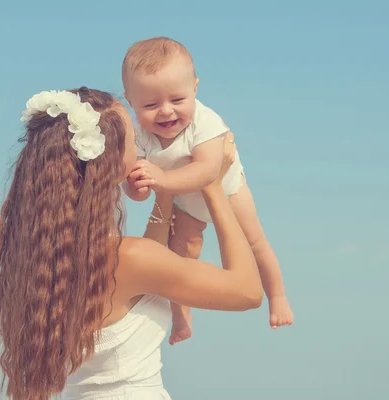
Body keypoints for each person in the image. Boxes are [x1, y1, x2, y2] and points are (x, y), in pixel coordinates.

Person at [0, 87, 263, 399]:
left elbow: (141, 276)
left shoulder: (37, 261)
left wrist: (166, 190)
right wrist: (213, 185)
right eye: (135, 137)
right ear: (113, 159)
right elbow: (248, 291)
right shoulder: (127, 258)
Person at [121, 37, 293, 344]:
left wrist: (161, 180)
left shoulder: (205, 122)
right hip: (185, 201)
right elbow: (140, 191)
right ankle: (180, 314)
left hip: (227, 190)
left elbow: (207, 170)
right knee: (180, 253)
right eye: (150, 104)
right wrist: (137, 187)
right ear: (131, 102)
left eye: (177, 100)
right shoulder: (141, 137)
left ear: (195, 89)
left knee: (254, 242)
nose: (165, 112)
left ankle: (277, 295)